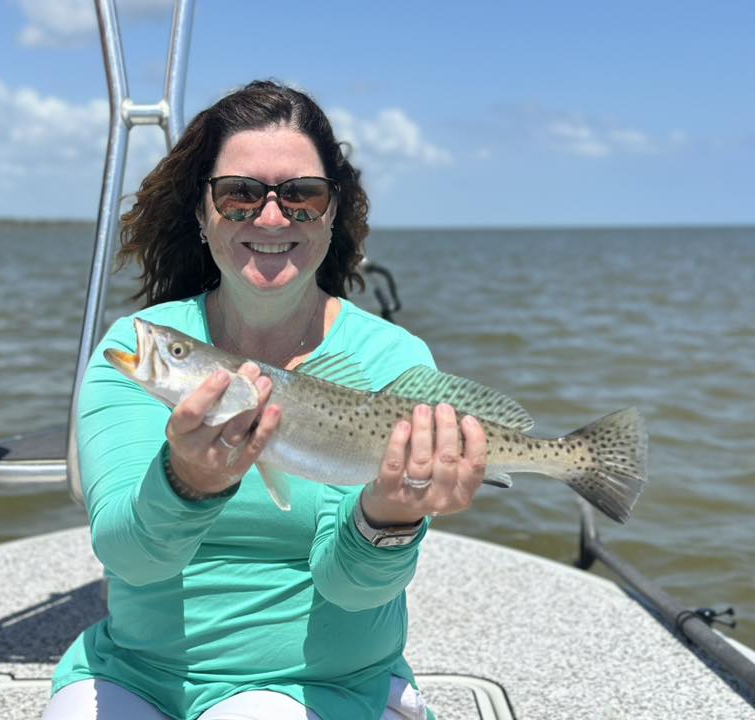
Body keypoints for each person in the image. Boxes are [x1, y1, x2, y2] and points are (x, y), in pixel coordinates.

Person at [43, 80, 487, 720]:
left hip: (328, 682)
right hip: (136, 673)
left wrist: (386, 517)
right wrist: (187, 481)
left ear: (333, 212)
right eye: (239, 194)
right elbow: (128, 557)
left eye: (301, 195)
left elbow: (351, 590)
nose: (272, 217)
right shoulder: (138, 346)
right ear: (203, 212)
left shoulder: (391, 361)